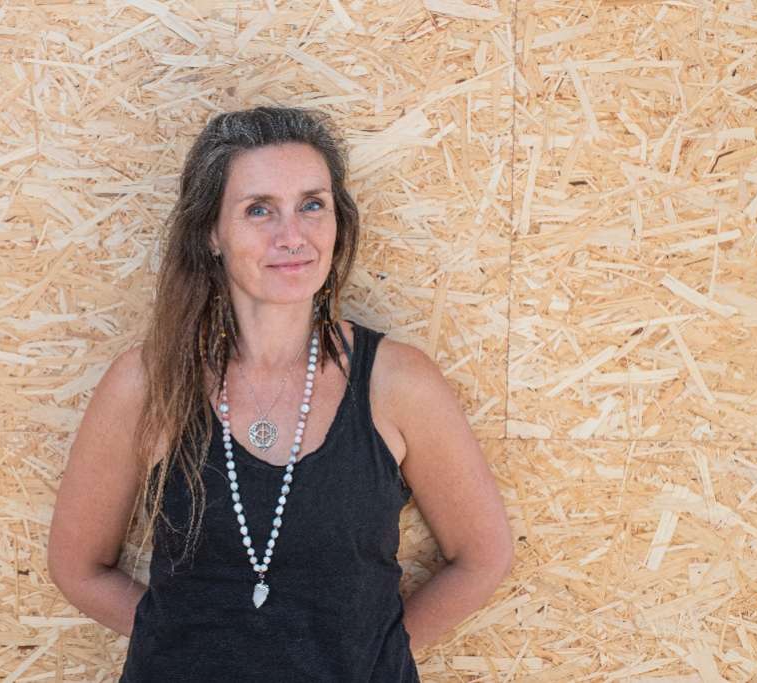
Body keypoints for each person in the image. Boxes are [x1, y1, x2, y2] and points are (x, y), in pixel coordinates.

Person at [47, 106, 515, 682]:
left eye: (311, 205)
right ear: (212, 233)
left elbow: (482, 556)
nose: (291, 235)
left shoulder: (398, 383)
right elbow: (79, 568)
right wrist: (196, 644)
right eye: (259, 210)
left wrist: (363, 655)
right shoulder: (147, 385)